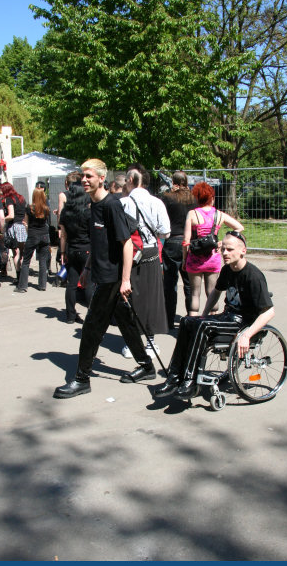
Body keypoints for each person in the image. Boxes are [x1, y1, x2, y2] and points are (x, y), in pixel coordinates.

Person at [53, 158, 156, 399]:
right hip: (101, 274)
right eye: (83, 176)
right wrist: (88, 269)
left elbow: (127, 244)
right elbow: (99, 244)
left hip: (113, 278)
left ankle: (81, 379)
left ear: (102, 178)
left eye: (89, 176)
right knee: (127, 323)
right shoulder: (93, 206)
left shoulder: (111, 205)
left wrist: (126, 280)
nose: (84, 180)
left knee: (91, 328)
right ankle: (146, 366)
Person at [154, 231, 275, 400]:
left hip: (244, 323)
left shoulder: (253, 276)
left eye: (230, 249)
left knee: (203, 326)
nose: (225, 253)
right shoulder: (227, 270)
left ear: (243, 251)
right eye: (223, 249)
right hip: (228, 316)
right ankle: (174, 377)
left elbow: (269, 311)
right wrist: (203, 315)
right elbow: (215, 292)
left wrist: (247, 335)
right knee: (188, 321)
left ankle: (190, 381)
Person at [119, 167, 171, 358]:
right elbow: (166, 231)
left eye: (126, 179)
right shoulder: (156, 202)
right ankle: (151, 342)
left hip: (129, 253)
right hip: (151, 253)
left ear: (132, 179)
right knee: (152, 299)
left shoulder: (123, 203)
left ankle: (132, 344)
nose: (125, 183)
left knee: (130, 299)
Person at [184, 181, 244, 316]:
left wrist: (184, 260)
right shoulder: (219, 214)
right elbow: (239, 227)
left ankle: (193, 324)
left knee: (194, 294)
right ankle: (212, 324)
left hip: (194, 260)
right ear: (212, 197)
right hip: (213, 258)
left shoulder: (192, 214)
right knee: (212, 292)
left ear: (197, 198)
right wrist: (223, 242)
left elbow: (186, 241)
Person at [161, 171, 197, 327]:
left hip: (172, 240)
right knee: (189, 283)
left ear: (173, 182)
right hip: (189, 242)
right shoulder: (193, 198)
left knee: (170, 283)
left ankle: (168, 320)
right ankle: (191, 317)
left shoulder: (168, 197)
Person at [59, 181, 93, 324]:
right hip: (86, 249)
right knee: (89, 283)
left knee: (71, 284)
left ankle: (70, 316)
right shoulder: (88, 213)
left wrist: (62, 252)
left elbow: (63, 235)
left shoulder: (65, 213)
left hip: (71, 248)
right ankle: (92, 316)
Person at [15, 188, 51, 293]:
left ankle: (22, 286)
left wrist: (27, 231)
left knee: (26, 261)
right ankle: (42, 285)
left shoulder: (29, 208)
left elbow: (25, 223)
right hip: (44, 235)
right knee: (43, 260)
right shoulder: (46, 208)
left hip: (32, 235)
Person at [0, 182, 27, 286]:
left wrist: (1, 220)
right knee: (22, 253)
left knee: (16, 253)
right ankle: (24, 276)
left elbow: (11, 215)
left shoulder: (9, 199)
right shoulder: (20, 197)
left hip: (14, 226)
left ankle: (19, 277)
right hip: (22, 226)